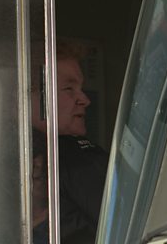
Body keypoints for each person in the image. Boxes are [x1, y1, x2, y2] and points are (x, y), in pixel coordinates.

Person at [32, 39, 109, 244]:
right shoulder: (75, 159)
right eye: (68, 88)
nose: (84, 99)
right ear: (26, 96)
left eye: (80, 88)